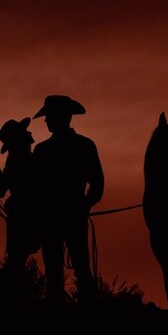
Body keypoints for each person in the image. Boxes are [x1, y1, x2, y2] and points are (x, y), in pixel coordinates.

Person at [31, 95, 105, 304]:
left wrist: (84, 206)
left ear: (59, 118)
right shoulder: (85, 146)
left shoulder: (43, 151)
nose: (45, 121)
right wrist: (85, 206)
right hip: (72, 217)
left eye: (48, 117)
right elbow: (97, 184)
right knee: (80, 268)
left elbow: (34, 189)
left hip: (52, 219)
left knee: (56, 270)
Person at [0, 117, 41, 296]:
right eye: (25, 132)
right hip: (29, 214)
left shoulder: (15, 160)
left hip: (21, 214)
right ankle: (6, 295)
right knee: (17, 261)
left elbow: (2, 186)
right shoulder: (25, 159)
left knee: (16, 260)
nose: (30, 133)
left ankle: (5, 295)